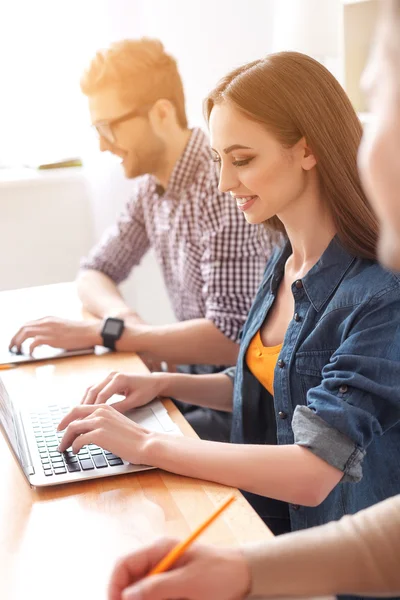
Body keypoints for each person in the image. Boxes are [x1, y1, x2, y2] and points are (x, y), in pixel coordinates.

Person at [57, 47, 400, 589]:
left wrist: (148, 444)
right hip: (260, 528)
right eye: (218, 160)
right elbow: (276, 381)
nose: (222, 183)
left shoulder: (379, 294)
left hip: (330, 567)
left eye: (241, 160)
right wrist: (159, 384)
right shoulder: (284, 259)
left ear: (307, 150)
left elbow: (315, 469)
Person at [8, 38, 273, 442]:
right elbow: (94, 271)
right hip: (196, 378)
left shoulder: (222, 187)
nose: (101, 144)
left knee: (106, 442)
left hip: (243, 399)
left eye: (108, 127)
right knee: (79, 419)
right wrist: (124, 322)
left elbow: (231, 337)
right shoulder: (153, 189)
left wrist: (109, 333)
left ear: (162, 113)